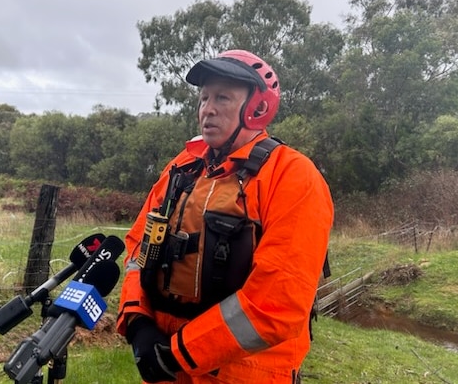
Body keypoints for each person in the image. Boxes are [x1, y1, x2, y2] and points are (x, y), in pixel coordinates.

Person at [117, 49, 334, 384]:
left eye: (222, 98)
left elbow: (277, 302)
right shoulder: (181, 168)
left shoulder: (292, 175)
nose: (208, 109)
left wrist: (181, 354)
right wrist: (137, 321)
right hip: (166, 364)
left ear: (258, 108)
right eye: (203, 98)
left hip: (244, 373)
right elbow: (137, 250)